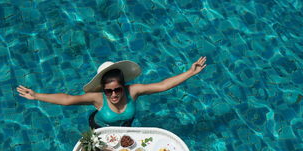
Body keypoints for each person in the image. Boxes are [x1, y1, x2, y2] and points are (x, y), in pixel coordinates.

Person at [17, 57, 207, 128]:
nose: (114, 95)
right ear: (103, 91)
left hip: (125, 127)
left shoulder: (133, 91)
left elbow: (163, 85)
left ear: (123, 86)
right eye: (109, 91)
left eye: (117, 89)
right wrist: (36, 96)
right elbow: (67, 100)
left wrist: (191, 72)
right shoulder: (97, 99)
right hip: (99, 127)